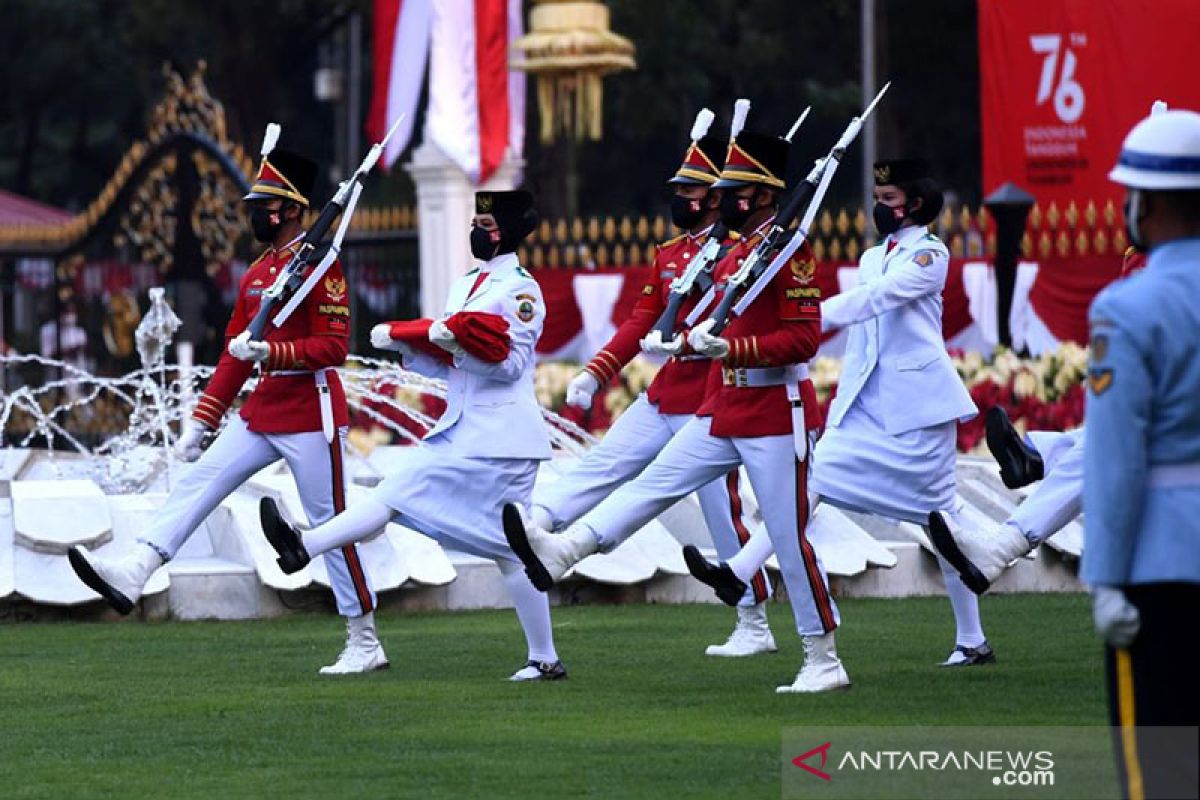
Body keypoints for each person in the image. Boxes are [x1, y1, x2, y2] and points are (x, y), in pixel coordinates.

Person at [504, 116, 849, 693]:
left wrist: (729, 344)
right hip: (724, 404)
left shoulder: (791, 251)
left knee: (786, 538)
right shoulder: (730, 253)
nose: (722, 200)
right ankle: (566, 549)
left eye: (735, 191)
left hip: (773, 411)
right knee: (651, 485)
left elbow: (804, 339)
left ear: (764, 195)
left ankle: (822, 657)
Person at [68, 145, 388, 675]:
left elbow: (334, 346)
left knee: (328, 522)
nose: (254, 213)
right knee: (200, 480)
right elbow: (234, 352)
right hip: (264, 408)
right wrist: (203, 418)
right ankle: (136, 568)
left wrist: (272, 352)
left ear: (290, 208)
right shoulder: (258, 273)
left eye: (264, 204)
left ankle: (364, 638)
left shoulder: (322, 266)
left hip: (312, 410)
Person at [687, 159, 993, 667]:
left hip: (920, 405)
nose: (882, 207)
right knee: (812, 481)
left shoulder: (929, 254)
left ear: (915, 204)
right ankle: (739, 570)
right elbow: (866, 322)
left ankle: (972, 638)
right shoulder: (875, 255)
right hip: (869, 400)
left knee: (943, 524)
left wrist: (810, 317)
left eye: (892, 199)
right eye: (880, 197)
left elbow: (879, 299)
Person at [259, 190, 567, 682]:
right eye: (474, 221)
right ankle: (545, 659)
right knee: (508, 551)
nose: (476, 232)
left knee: (403, 495)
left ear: (507, 231)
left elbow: (508, 367)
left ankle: (307, 544)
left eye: (485, 225)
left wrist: (455, 344)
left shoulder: (522, 291)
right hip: (466, 429)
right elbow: (452, 366)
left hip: (504, 436)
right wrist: (410, 347)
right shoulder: (467, 284)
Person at [528, 108, 777, 658]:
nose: (679, 200)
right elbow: (641, 322)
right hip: (666, 394)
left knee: (724, 518)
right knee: (603, 464)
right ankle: (538, 525)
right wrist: (595, 372)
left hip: (711, 400)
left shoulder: (741, 253)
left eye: (689, 191)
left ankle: (754, 624)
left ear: (716, 196)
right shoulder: (670, 256)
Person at [1084, 107, 1200, 800]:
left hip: (1159, 564)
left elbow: (1117, 458)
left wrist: (1105, 576)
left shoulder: (1127, 307)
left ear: (1146, 203)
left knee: (1160, 774)